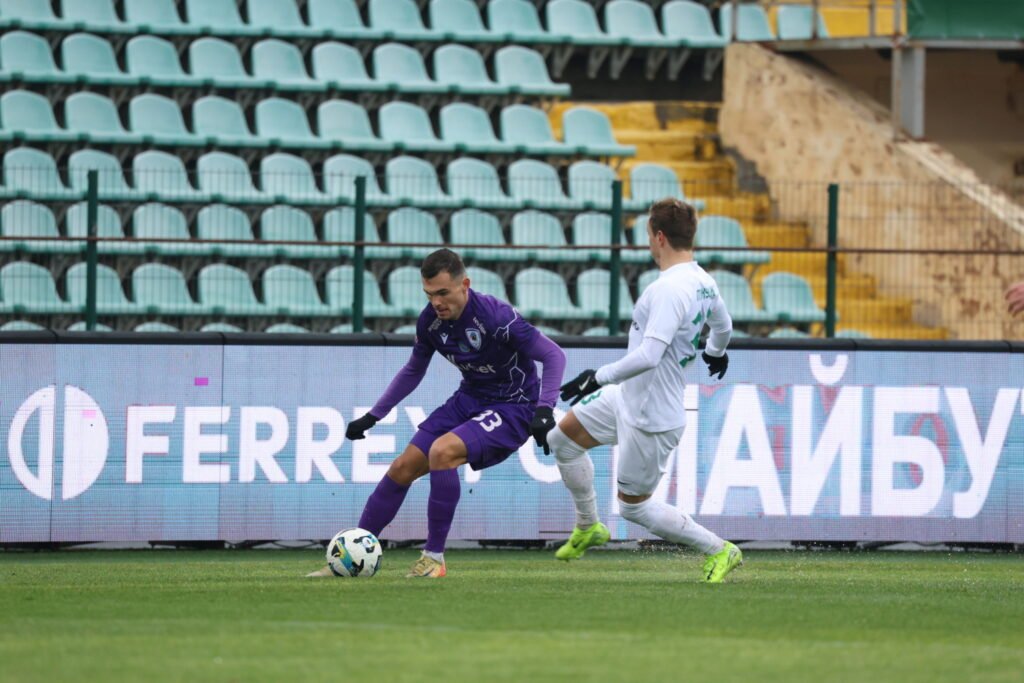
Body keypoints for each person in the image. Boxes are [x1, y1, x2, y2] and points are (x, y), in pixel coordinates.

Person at [309, 248, 565, 578]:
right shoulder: (430, 321)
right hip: (469, 398)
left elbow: (554, 355)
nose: (436, 302)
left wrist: (544, 409)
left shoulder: (497, 317)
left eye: (443, 293)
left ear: (465, 285)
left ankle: (433, 558)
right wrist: (374, 415)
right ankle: (351, 557)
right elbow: (413, 370)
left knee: (442, 451)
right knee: (402, 467)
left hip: (514, 406)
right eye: (429, 294)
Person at [545, 198, 742, 583]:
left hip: (651, 415)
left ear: (660, 237)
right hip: (629, 397)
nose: (649, 242)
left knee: (634, 508)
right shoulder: (703, 281)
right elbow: (724, 326)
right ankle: (588, 526)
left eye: (649, 235)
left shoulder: (669, 289)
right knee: (562, 440)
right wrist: (715, 353)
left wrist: (597, 377)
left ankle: (720, 549)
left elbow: (650, 355)